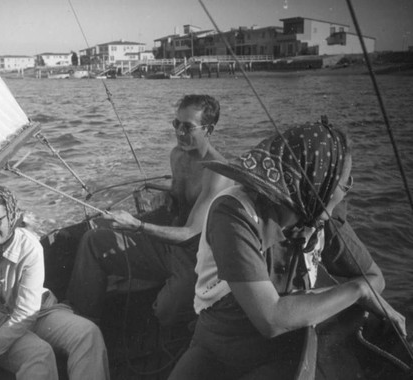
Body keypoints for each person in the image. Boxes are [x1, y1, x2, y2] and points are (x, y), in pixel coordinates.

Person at [169, 121, 407, 380]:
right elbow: (271, 318)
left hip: (288, 351)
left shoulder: (319, 212)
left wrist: (361, 287)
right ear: (318, 181)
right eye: (344, 184)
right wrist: (357, 290)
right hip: (219, 347)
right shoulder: (235, 213)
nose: (346, 192)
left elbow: (375, 277)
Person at [66, 95, 234, 326]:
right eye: (176, 124)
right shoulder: (177, 155)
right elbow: (177, 201)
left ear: (209, 129)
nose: (180, 132)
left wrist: (138, 226)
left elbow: (191, 233)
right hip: (168, 242)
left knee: (164, 313)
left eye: (188, 126)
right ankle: (81, 325)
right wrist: (163, 200)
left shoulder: (218, 171)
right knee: (93, 240)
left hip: (197, 256)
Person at [0, 185, 110, 380]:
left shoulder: (29, 247)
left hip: (37, 314)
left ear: (12, 217)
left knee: (88, 334)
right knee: (39, 355)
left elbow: (26, 313)